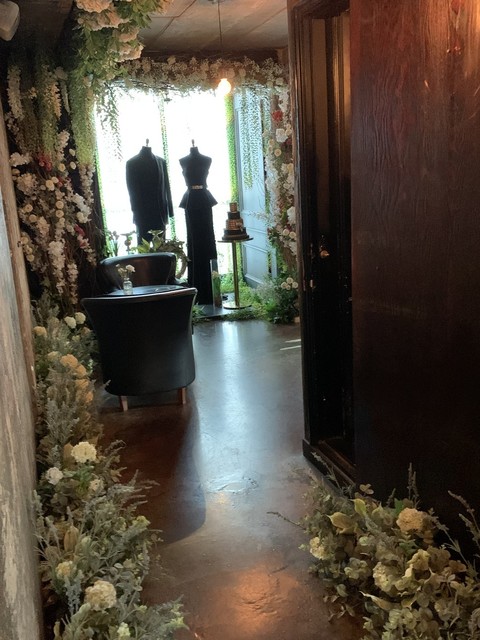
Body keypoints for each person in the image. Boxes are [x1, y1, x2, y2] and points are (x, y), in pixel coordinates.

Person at [179, 142, 217, 305]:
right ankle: (196, 288)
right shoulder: (182, 160)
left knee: (208, 240)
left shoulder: (207, 159)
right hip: (191, 202)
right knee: (193, 242)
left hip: (203, 200)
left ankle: (211, 289)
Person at [126, 143, 174, 244]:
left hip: (160, 214)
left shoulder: (161, 161)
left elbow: (167, 187)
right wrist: (136, 213)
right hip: (142, 215)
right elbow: (131, 192)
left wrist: (170, 211)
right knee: (144, 248)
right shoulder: (131, 163)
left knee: (162, 248)